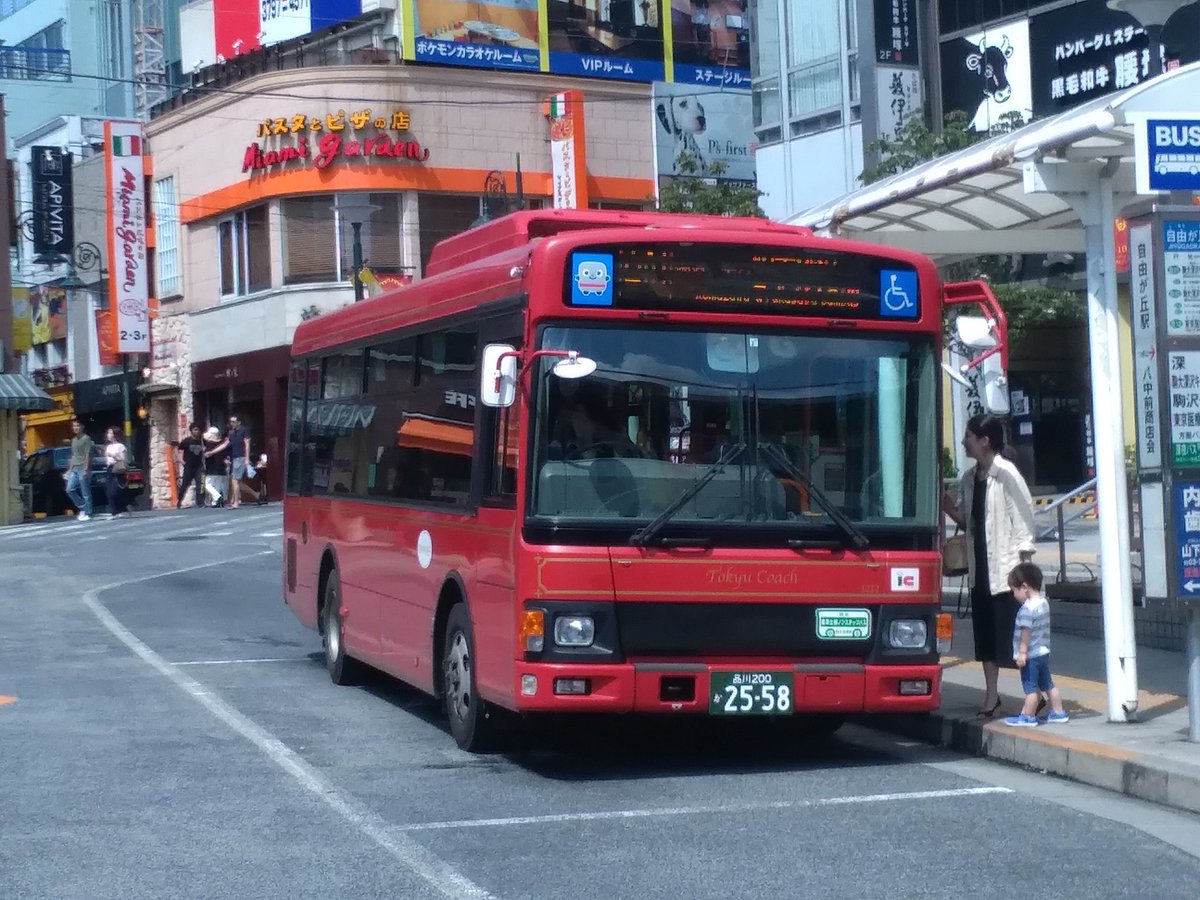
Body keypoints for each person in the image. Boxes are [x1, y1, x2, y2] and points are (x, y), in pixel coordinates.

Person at [941, 413, 1036, 717]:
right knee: (986, 637)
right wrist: (947, 506)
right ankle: (992, 696)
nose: (963, 441)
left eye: (968, 436)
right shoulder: (970, 478)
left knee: (1015, 635)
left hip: (1006, 571)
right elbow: (967, 523)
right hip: (980, 570)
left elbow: (1024, 521)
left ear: (984, 441)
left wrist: (1025, 570)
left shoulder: (1006, 474)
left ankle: (1034, 692)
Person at [1004, 562, 1069, 727]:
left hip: (1031, 655)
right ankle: (1058, 712)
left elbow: (1025, 633)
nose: (1014, 595)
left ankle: (1028, 716)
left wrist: (1022, 653)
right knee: (1048, 684)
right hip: (1043, 652)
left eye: (1014, 590)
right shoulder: (1043, 603)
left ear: (1024, 587)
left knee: (1030, 689)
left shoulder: (1027, 609)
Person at [206, 417, 251, 509]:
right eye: (231, 422)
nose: (232, 424)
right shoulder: (232, 433)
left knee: (235, 480)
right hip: (235, 458)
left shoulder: (243, 431)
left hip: (240, 457)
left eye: (234, 422)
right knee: (235, 481)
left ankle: (236, 502)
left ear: (239, 422)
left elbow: (247, 444)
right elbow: (224, 445)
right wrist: (211, 452)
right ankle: (234, 501)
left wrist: (246, 458)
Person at [65, 417, 94, 521]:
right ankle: (84, 508)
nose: (75, 428)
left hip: (83, 468)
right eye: (74, 426)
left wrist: (86, 469)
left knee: (85, 491)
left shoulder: (86, 438)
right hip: (75, 468)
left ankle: (88, 513)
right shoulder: (73, 440)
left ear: (82, 427)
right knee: (69, 489)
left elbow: (87, 454)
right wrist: (69, 469)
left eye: (77, 426)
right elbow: (73, 455)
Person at [102, 427, 130, 519]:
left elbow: (123, 459)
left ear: (115, 435)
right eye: (108, 433)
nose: (108, 435)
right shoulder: (108, 447)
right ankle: (114, 512)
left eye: (110, 433)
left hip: (118, 468)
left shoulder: (120, 446)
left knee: (116, 490)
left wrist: (113, 455)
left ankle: (122, 508)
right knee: (109, 491)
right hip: (109, 469)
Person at [176, 423, 206, 509]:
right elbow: (179, 451)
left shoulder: (202, 441)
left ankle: (200, 503)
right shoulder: (186, 441)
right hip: (189, 466)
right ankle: (179, 500)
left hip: (199, 466)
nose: (197, 432)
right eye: (195, 430)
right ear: (191, 431)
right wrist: (181, 460)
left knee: (201, 484)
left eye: (198, 430)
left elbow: (206, 452)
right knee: (184, 485)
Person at [202, 425, 228, 508]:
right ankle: (216, 502)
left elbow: (206, 456)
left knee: (207, 485)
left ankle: (218, 497)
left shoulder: (209, 445)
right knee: (216, 485)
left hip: (212, 467)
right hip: (221, 467)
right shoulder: (221, 444)